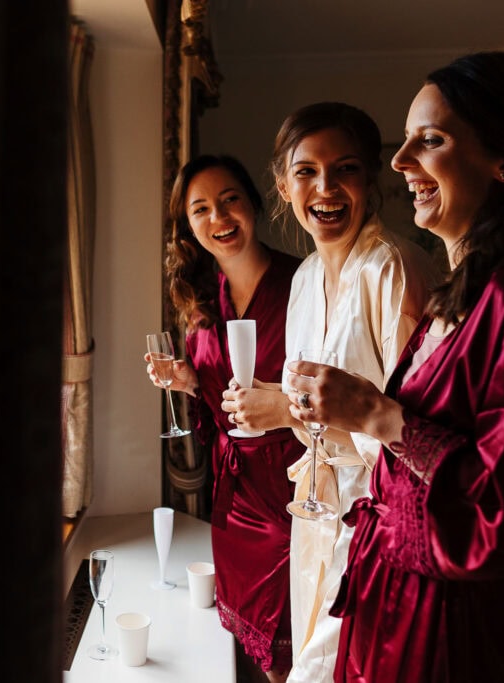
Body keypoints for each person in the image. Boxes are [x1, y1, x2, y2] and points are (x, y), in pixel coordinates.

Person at [284, 52, 504, 682]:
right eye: (406, 141)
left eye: (429, 140)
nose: (400, 161)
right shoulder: (466, 290)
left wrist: (376, 413)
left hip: (457, 635)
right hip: (396, 607)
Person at [221, 102, 437, 682]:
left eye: (344, 169)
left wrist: (286, 412)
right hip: (315, 514)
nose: (326, 187)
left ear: (371, 179)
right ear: (282, 184)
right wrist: (271, 402)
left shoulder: (391, 270)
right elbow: (316, 396)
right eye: (306, 171)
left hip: (376, 522)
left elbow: (417, 430)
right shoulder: (306, 278)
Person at [146, 155, 304, 682]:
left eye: (230, 199)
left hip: (296, 491)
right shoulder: (198, 306)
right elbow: (215, 404)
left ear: (254, 203)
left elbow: (335, 385)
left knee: (303, 647)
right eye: (201, 209)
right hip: (233, 497)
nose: (219, 217)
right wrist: (188, 382)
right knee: (252, 653)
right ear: (188, 227)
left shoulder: (302, 286)